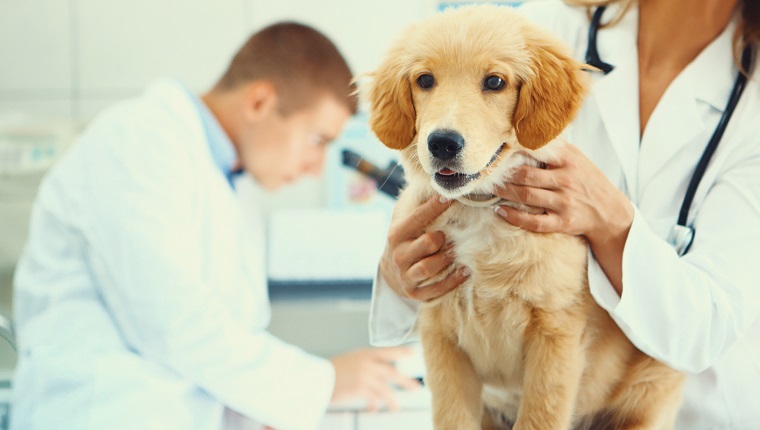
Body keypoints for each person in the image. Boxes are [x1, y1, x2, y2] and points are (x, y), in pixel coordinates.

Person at [369, 0, 760, 428]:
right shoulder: (543, 26)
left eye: (494, 83)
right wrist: (398, 270)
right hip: (501, 405)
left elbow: (707, 325)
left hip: (689, 410)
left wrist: (612, 223)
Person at [11, 22, 418, 430]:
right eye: (317, 140)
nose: (316, 168)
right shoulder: (137, 141)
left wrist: (263, 410)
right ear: (259, 102)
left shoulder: (230, 183)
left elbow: (224, 347)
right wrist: (325, 383)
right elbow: (170, 322)